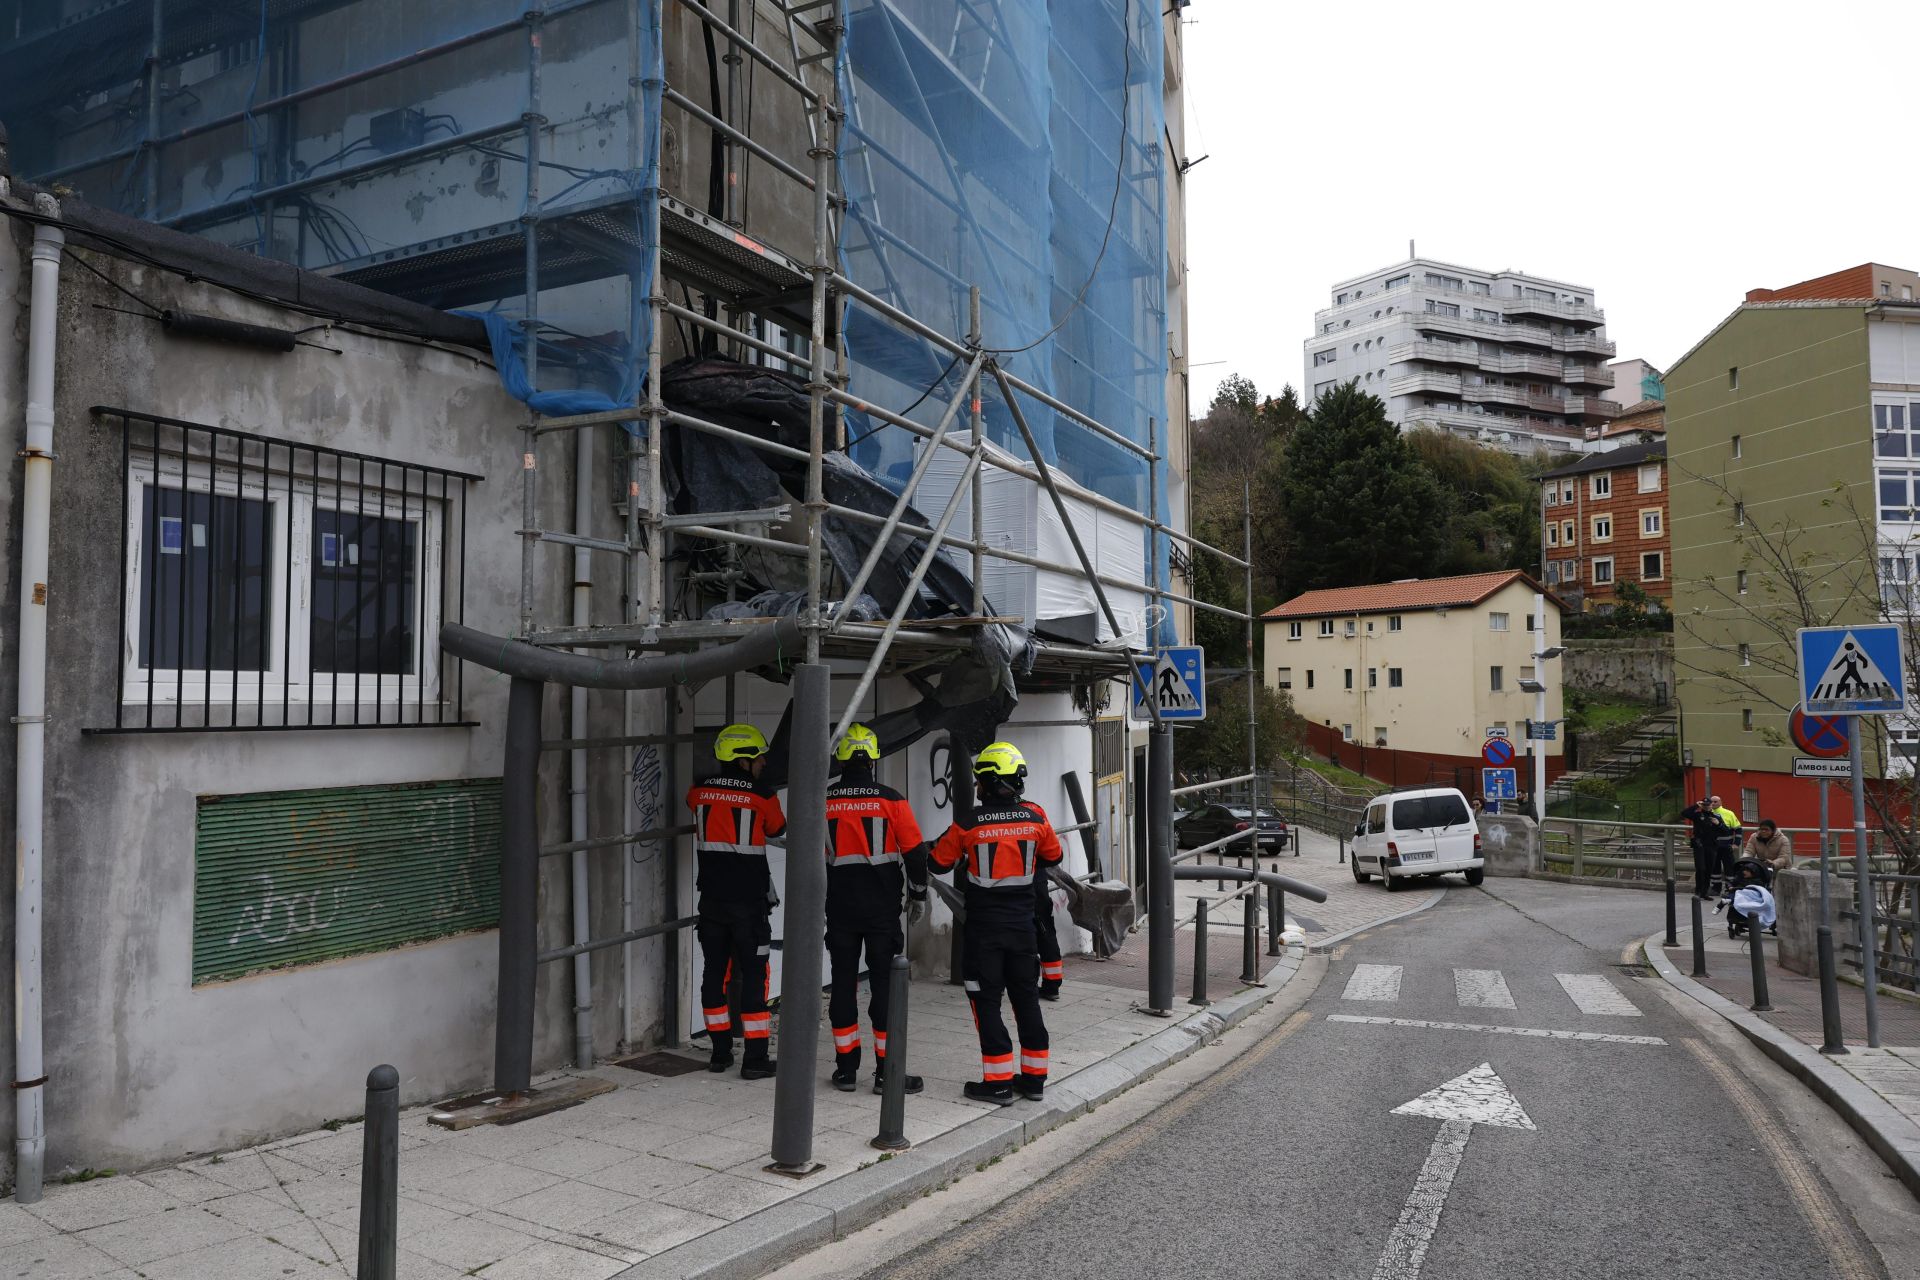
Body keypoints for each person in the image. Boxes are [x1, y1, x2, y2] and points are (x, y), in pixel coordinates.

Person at [930, 741, 1063, 1105]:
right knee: (1026, 1001)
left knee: (986, 1002)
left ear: (987, 783)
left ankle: (999, 1083)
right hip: (1023, 930)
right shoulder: (1036, 820)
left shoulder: (968, 823)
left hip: (984, 932)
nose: (975, 787)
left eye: (978, 782)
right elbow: (1054, 855)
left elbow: (938, 863)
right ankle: (1034, 1080)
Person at [823, 724, 932, 1095]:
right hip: (882, 910)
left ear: (840, 760)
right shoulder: (891, 800)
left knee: (842, 984)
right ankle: (887, 1073)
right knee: (885, 986)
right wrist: (918, 893)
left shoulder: (824, 800)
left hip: (839, 908)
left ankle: (846, 1070)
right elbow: (915, 852)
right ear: (872, 759)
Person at [686, 723, 786, 1079]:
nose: (763, 763)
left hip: (712, 904)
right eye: (759, 757)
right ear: (744, 760)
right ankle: (755, 1058)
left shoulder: (698, 792)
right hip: (749, 906)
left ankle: (720, 1053)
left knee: (714, 974)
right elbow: (776, 828)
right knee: (755, 978)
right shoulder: (763, 795)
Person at [1680, 795, 1732, 898]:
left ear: (1711, 805)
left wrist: (1718, 824)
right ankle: (1698, 891)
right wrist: (1696, 805)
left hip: (1711, 846)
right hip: (1699, 845)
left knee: (1709, 869)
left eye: (1708, 805)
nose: (1706, 807)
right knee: (1700, 868)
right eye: (1704, 805)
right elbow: (1684, 813)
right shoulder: (1698, 815)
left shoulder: (1716, 817)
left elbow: (1726, 831)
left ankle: (1704, 892)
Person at [1034, 871, 1064, 1001]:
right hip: (1037, 885)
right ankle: (1051, 986)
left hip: (1014, 886)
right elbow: (1054, 856)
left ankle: (999, 984)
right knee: (1046, 934)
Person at [1712, 795, 1743, 887]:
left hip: (1726, 846)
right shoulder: (1707, 813)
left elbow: (1738, 829)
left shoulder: (1729, 813)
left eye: (1715, 801)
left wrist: (1736, 844)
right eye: (1712, 802)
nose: (1713, 803)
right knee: (1714, 867)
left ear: (1721, 802)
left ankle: (1730, 887)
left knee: (1729, 867)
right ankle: (1715, 887)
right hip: (1713, 846)